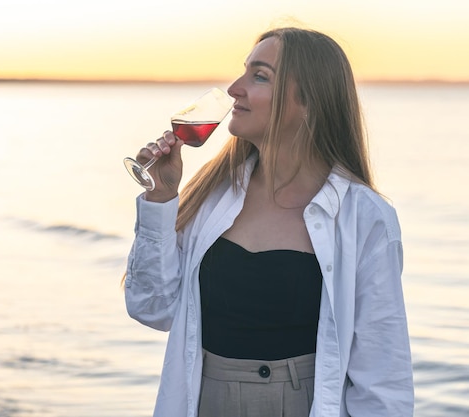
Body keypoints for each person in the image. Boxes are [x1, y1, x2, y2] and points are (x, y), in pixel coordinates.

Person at [123, 27, 413, 417]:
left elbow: (383, 376)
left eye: (259, 76)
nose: (233, 89)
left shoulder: (363, 217)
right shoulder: (213, 194)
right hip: (204, 402)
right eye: (244, 72)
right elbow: (152, 307)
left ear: (309, 103)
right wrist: (161, 197)